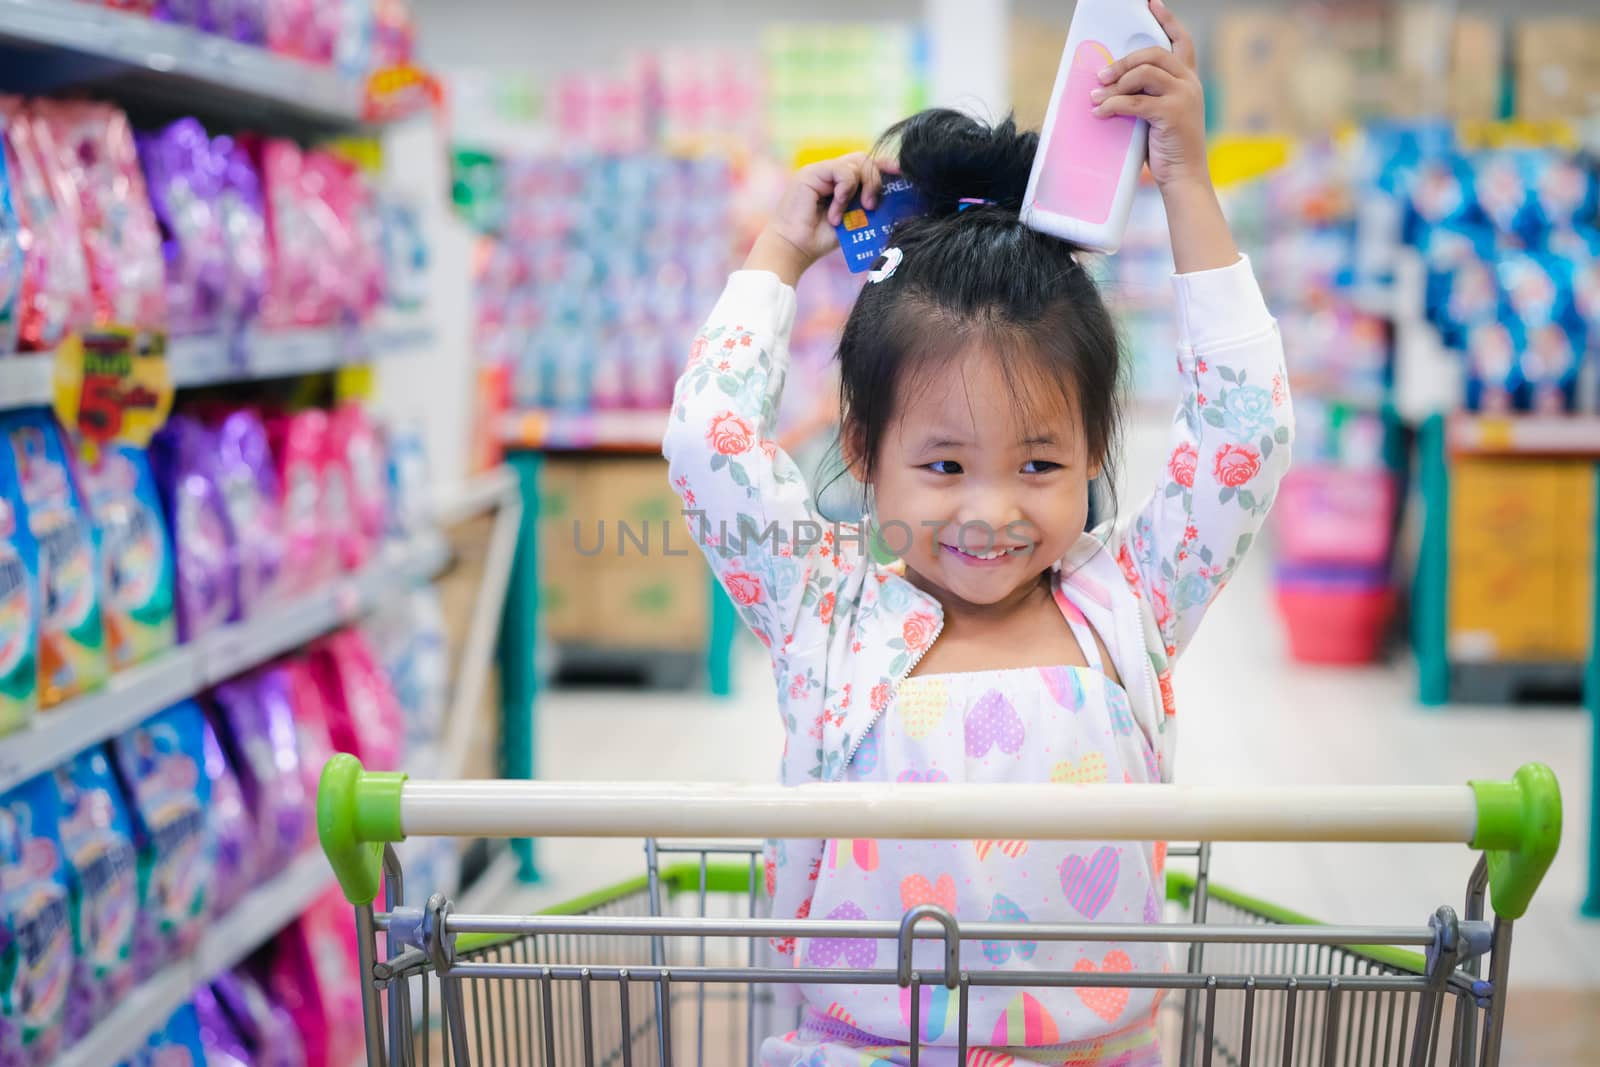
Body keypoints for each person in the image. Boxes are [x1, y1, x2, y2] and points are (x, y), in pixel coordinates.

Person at [662, 3, 1292, 1062]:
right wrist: (779, 250)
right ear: (863, 450)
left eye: (1039, 464)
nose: (992, 511)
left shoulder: (1125, 598)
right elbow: (706, 441)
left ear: (1094, 451)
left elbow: (1246, 426)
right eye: (944, 465)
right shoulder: (828, 610)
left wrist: (1186, 180)